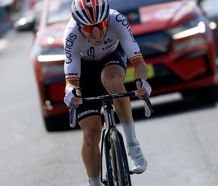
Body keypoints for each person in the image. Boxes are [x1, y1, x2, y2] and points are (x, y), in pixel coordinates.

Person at [63, 0, 152, 185]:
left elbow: (139, 64)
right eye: (88, 29)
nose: (96, 34)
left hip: (112, 58)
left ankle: (133, 146)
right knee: (90, 133)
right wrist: (71, 93)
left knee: (111, 80)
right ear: (79, 26)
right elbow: (71, 82)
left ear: (106, 19)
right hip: (85, 70)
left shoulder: (117, 20)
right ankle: (94, 183)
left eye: (101, 25)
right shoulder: (71, 35)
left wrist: (142, 81)